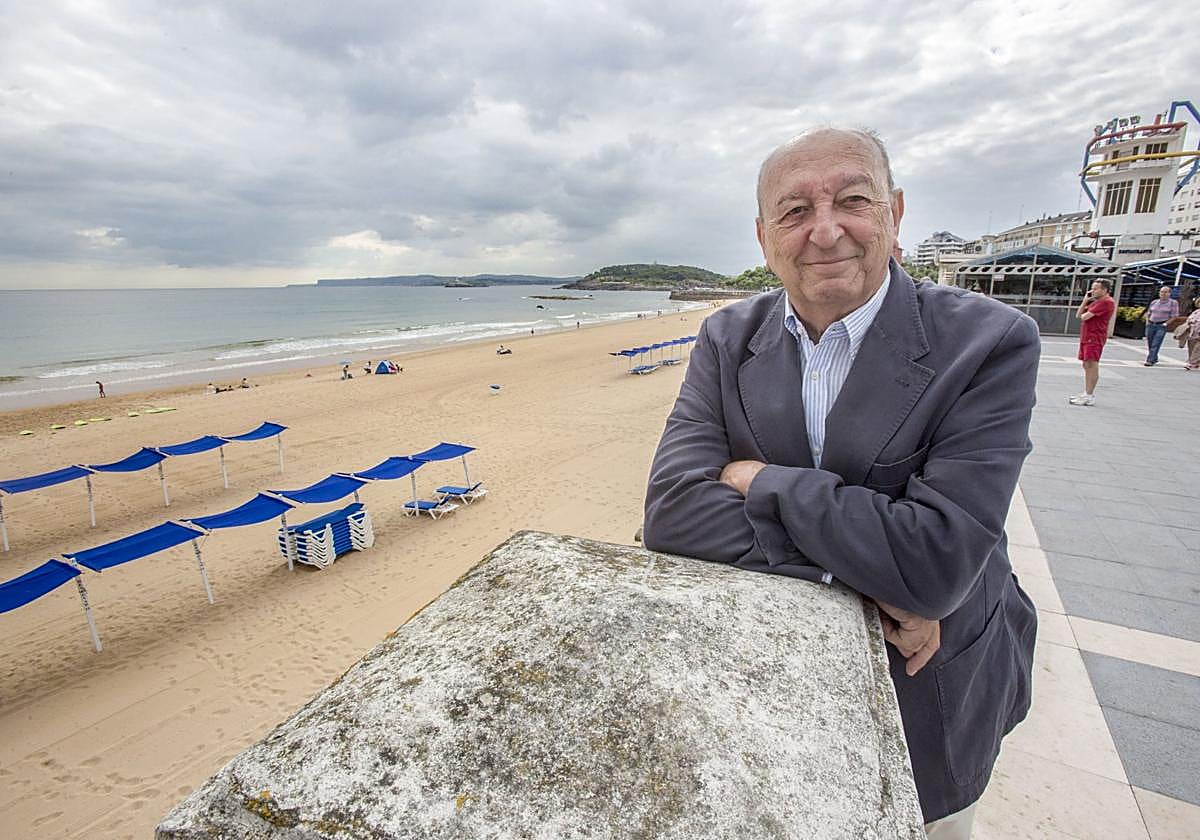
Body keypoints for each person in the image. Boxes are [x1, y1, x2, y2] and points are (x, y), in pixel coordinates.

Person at [643, 127, 1039, 837]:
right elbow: (673, 515)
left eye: (852, 199)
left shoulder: (990, 341)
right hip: (780, 682)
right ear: (765, 239)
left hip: (933, 683)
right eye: (795, 212)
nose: (826, 231)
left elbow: (938, 558)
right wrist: (870, 573)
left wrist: (761, 481)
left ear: (896, 211)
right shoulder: (726, 339)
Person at [1070, 279, 1116, 405]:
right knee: (1086, 364)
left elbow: (1085, 316)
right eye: (1092, 288)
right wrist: (1085, 300)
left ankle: (1089, 394)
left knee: (1091, 364)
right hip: (1087, 336)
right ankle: (1086, 392)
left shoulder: (1106, 302)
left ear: (1104, 290)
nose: (1092, 291)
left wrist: (1087, 306)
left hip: (1094, 337)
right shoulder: (1096, 302)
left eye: (1096, 289)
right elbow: (1079, 315)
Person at [1143, 285, 1179, 366]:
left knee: (1156, 343)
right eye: (1162, 292)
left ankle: (1150, 360)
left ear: (1170, 293)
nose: (1163, 294)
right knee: (1150, 342)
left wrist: (1166, 324)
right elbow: (1149, 312)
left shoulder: (1173, 303)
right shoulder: (1154, 302)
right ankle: (1154, 358)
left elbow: (1175, 316)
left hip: (1161, 325)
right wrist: (1147, 322)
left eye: (1165, 292)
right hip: (1151, 324)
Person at [1184, 297, 1200, 370]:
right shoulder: (1196, 312)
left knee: (1197, 349)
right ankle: (1196, 362)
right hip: (1192, 333)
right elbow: (1188, 319)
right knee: (1191, 349)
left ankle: (1191, 363)